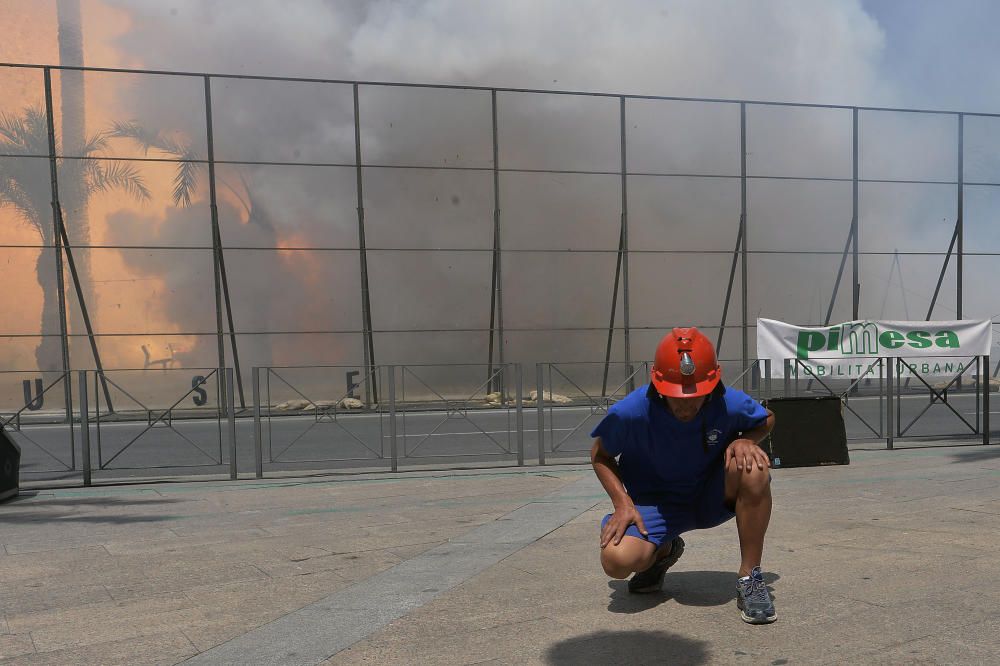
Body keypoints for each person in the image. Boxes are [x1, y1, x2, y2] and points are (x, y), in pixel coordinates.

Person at [590, 327, 777, 624]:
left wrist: (746, 440)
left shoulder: (726, 401)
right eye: (676, 395)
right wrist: (622, 504)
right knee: (616, 561)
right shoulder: (631, 412)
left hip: (710, 496)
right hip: (655, 506)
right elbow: (600, 454)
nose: (686, 404)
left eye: (696, 395)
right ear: (657, 382)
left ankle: (750, 578)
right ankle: (662, 551)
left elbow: (767, 418)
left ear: (713, 382)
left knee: (754, 467)